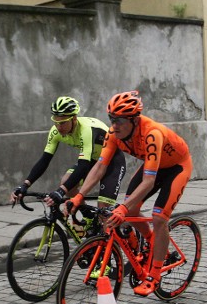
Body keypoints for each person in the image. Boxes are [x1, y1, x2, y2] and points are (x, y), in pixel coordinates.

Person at [66, 90, 192, 297]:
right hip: (155, 166)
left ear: (134, 120)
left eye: (119, 121)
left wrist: (122, 209)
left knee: (160, 217)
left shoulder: (152, 134)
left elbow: (149, 181)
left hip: (177, 167)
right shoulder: (114, 134)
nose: (114, 125)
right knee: (132, 207)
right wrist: (78, 197)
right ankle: (152, 242)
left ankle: (154, 275)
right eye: (111, 119)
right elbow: (99, 168)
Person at [10, 96, 126, 232]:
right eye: (56, 122)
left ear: (74, 119)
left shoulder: (86, 130)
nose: (59, 127)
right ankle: (88, 217)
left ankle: (107, 249)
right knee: (66, 181)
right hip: (94, 160)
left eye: (63, 123)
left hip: (112, 162)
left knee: (103, 211)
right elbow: (45, 160)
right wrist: (25, 185)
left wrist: (60, 192)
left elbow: (83, 166)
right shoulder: (55, 131)